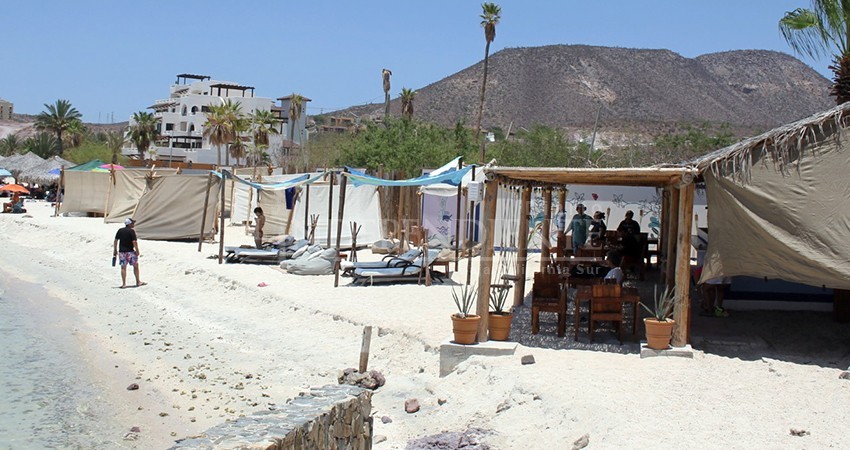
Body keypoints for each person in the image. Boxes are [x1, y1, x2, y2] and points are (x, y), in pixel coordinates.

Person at [113, 218, 145, 289]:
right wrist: (137, 250)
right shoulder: (131, 231)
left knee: (123, 267)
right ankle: (138, 281)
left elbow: (115, 240)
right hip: (130, 251)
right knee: (135, 265)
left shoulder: (120, 230)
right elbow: (134, 242)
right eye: (133, 223)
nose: (133, 224)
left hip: (122, 252)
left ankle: (124, 284)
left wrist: (115, 250)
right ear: (129, 224)